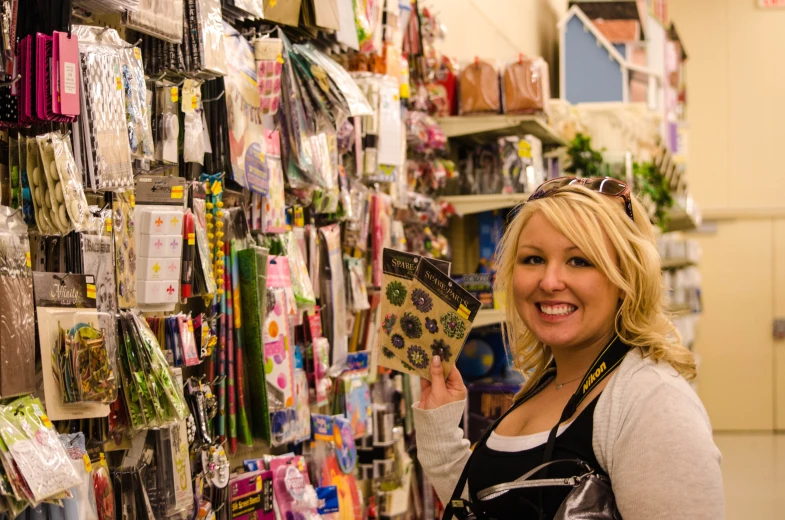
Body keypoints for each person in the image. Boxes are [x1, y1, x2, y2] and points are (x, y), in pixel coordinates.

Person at [413, 177, 724, 519]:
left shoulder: (653, 402)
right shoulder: (547, 382)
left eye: (580, 261)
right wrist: (440, 433)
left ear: (627, 279)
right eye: (533, 259)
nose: (549, 281)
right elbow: (491, 507)